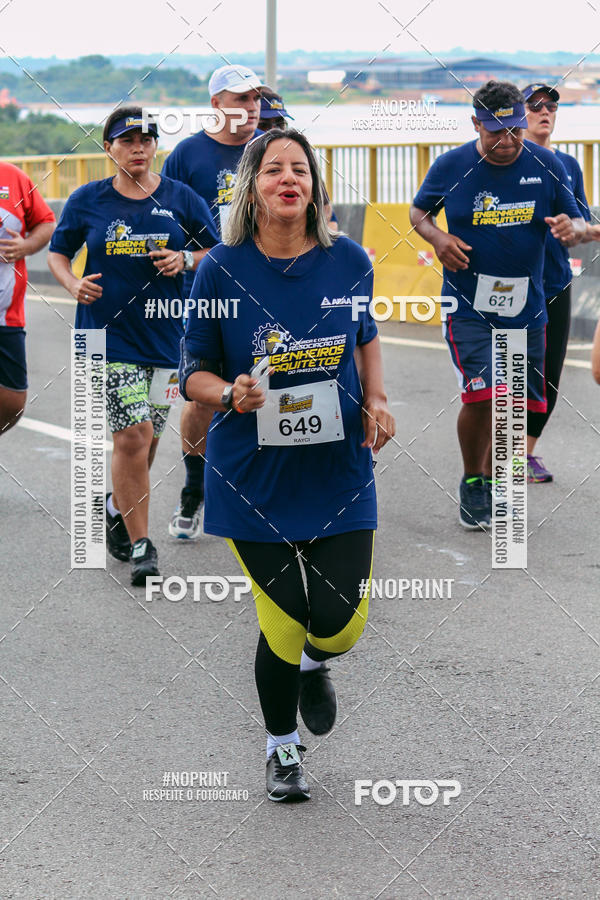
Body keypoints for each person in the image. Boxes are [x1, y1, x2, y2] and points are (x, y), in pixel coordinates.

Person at [179, 128, 395, 801]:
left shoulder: (350, 260)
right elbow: (194, 372)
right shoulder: (221, 267)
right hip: (253, 478)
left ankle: (310, 667)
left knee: (340, 626)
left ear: (314, 186)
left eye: (299, 169)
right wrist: (228, 393)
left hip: (338, 472)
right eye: (273, 170)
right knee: (282, 620)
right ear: (253, 186)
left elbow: (366, 337)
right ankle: (281, 751)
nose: (287, 180)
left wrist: (379, 399)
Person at [48, 106, 218, 585]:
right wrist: (71, 283)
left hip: (166, 337)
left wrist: (185, 258)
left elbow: (219, 252)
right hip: (107, 338)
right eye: (127, 141)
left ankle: (113, 507)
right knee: (132, 437)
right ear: (110, 148)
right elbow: (58, 253)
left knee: (147, 443)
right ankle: (144, 547)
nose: (138, 148)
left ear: (155, 147)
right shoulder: (88, 200)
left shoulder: (181, 198)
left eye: (146, 140)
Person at [410, 81, 585, 530]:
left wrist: (573, 228)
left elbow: (579, 217)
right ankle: (473, 480)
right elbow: (419, 212)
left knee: (518, 402)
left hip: (527, 308)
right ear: (476, 125)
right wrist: (438, 238)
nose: (507, 142)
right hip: (469, 305)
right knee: (487, 392)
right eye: (495, 132)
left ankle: (494, 481)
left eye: (515, 131)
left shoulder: (545, 164)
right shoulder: (452, 165)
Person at [162, 64, 265, 540]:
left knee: (268, 389)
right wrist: (189, 259)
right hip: (204, 296)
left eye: (255, 100)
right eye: (241, 99)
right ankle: (193, 487)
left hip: (265, 291)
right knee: (203, 395)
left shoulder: (267, 151)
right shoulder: (187, 155)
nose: (250, 109)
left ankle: (266, 493)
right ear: (216, 105)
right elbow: (165, 228)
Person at [523, 83, 600, 482]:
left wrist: (582, 230)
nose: (544, 111)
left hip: (555, 283)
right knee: (505, 377)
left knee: (548, 376)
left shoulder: (569, 165)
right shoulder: (507, 159)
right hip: (510, 289)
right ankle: (488, 463)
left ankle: (524, 455)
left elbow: (587, 225)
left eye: (551, 105)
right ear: (520, 113)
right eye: (534, 105)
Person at [0, 163, 55, 437]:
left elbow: (45, 222)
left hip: (6, 316)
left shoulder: (13, 177)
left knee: (13, 402)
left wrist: (27, 246)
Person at [258, 86, 339, 232]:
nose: (274, 130)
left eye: (280, 123)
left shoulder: (301, 158)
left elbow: (330, 221)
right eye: (263, 125)